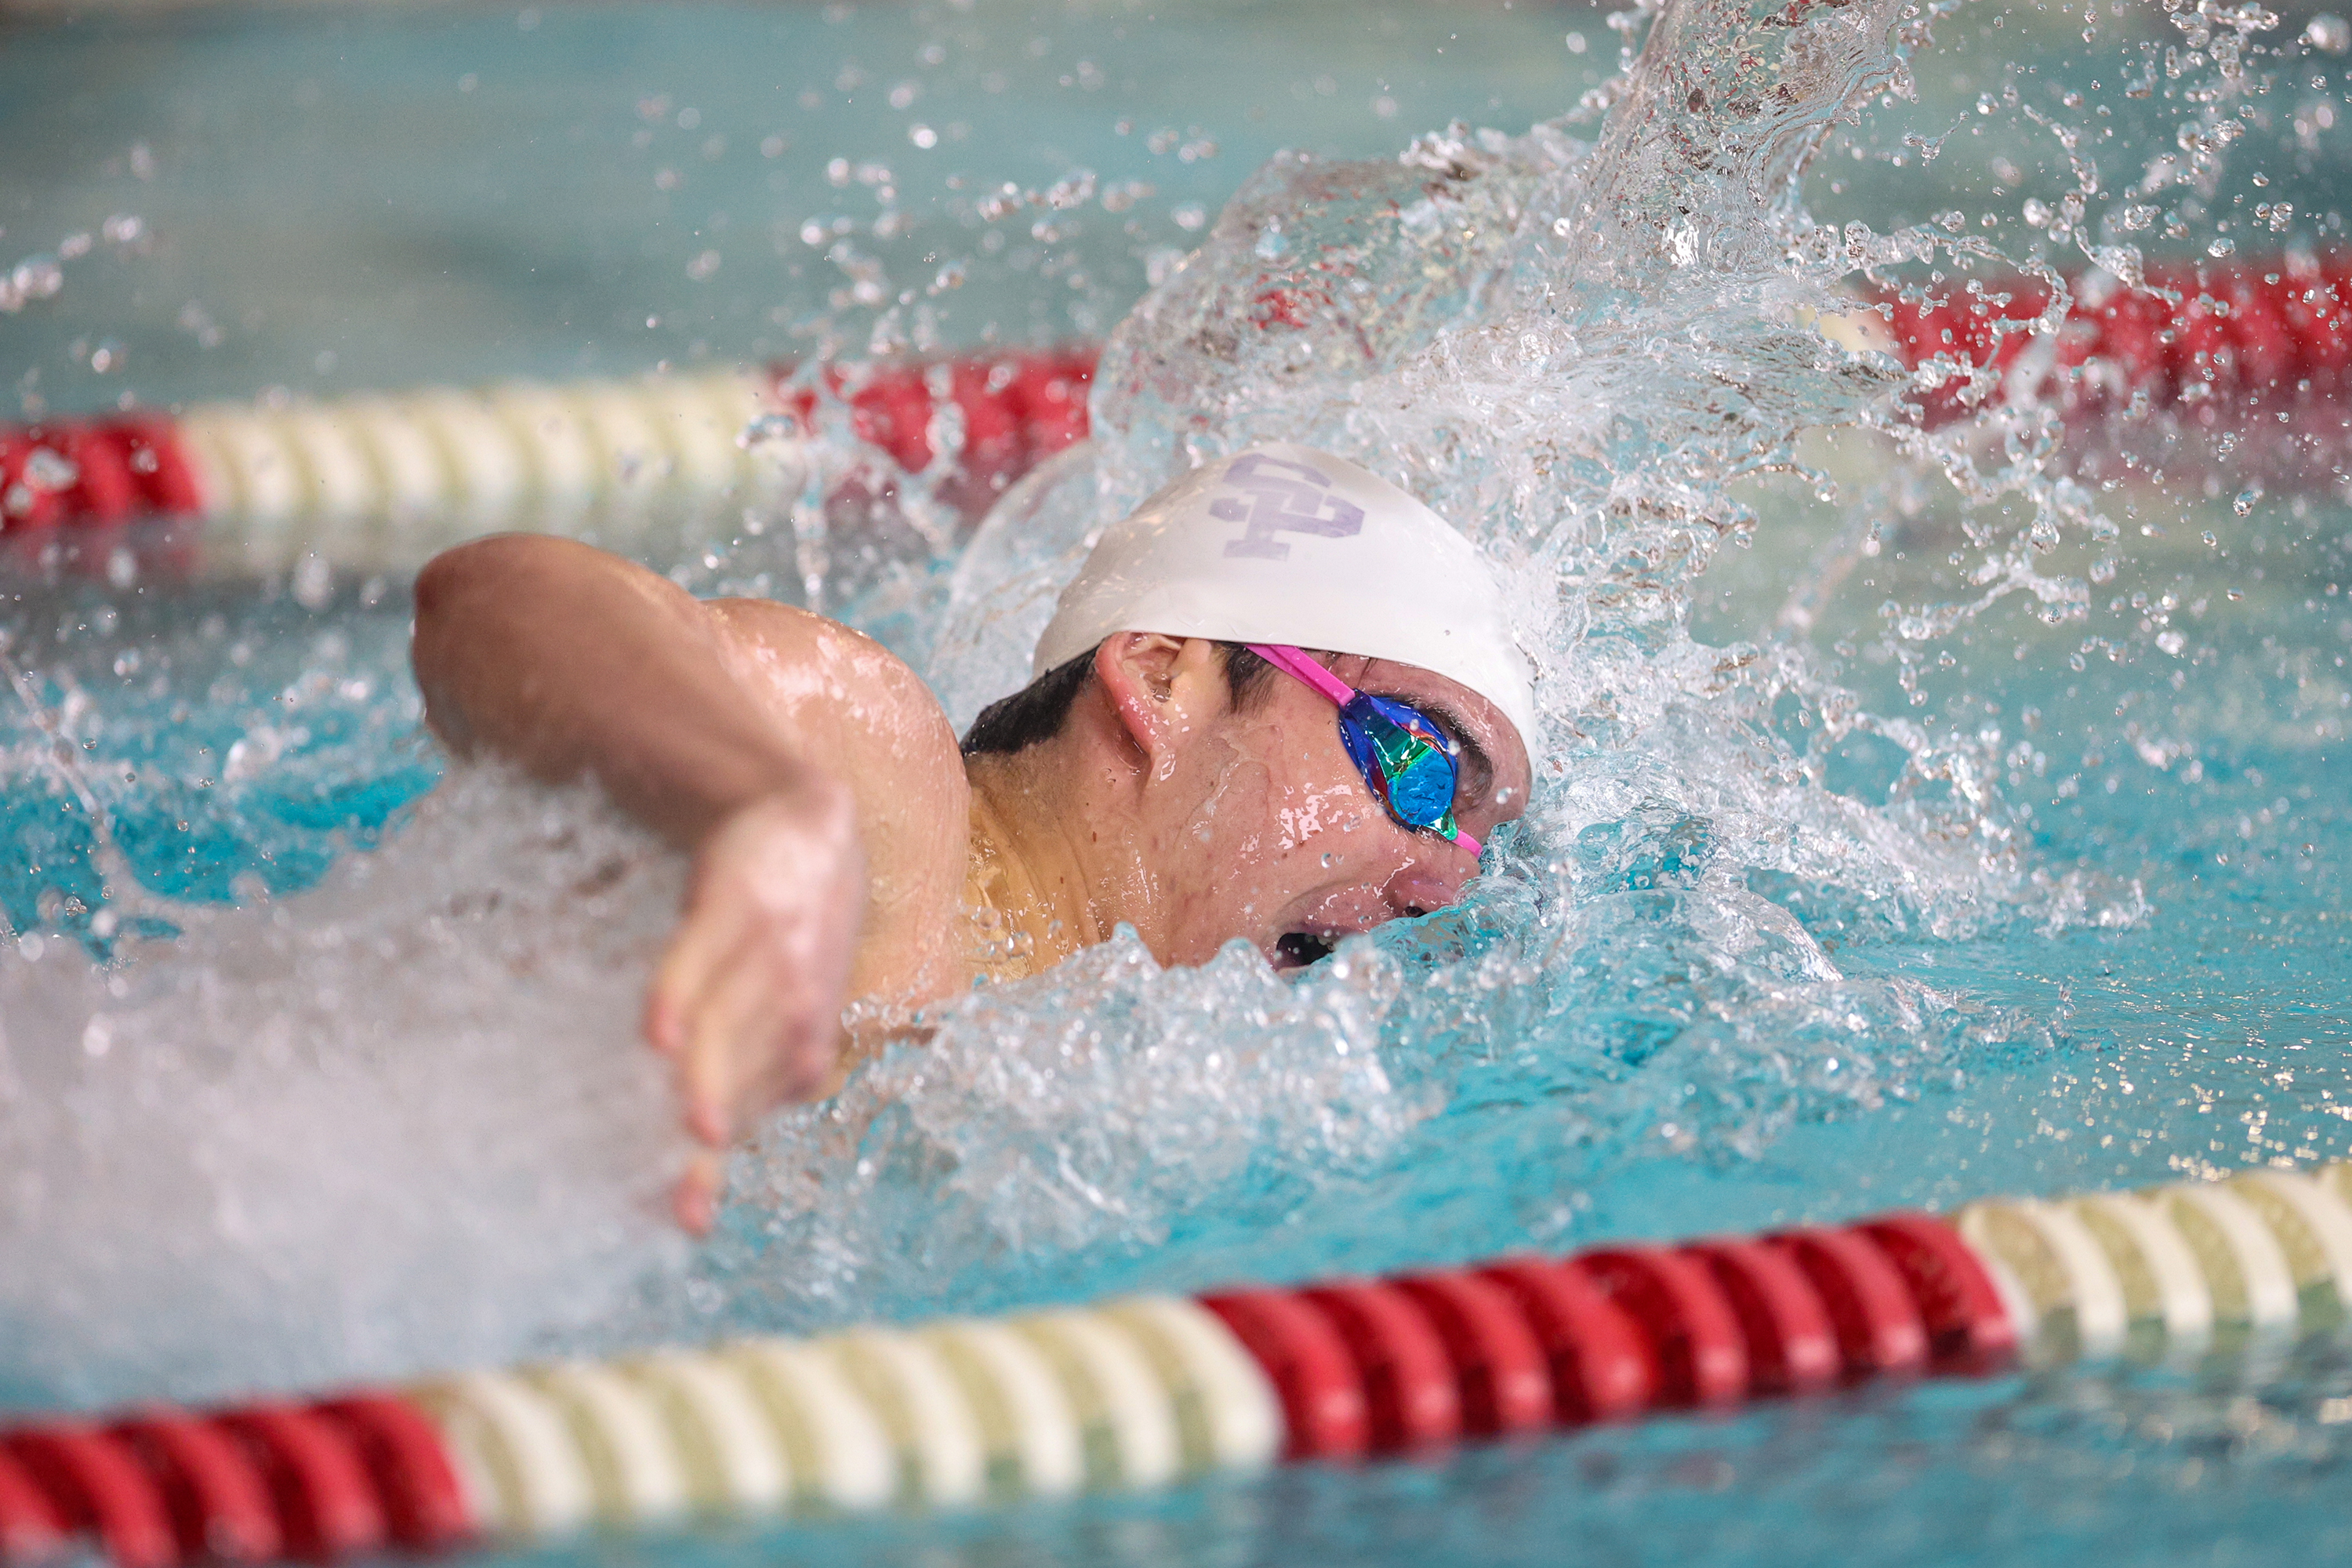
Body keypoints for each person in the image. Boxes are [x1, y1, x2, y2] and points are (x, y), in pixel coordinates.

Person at [409, 442, 1537, 1229]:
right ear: (1160, 678)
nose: (1442, 882)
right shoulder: (877, 794)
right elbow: (496, 596)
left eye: (1479, 844)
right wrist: (759, 808)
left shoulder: (1110, 1092)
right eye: (1421, 764)